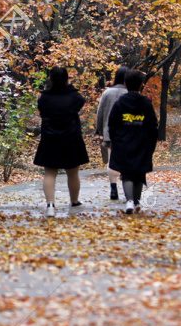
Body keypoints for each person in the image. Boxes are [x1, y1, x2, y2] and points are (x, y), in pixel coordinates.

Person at [34, 66, 89, 217]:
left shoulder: (44, 99)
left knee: (50, 173)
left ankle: (50, 205)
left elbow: (42, 110)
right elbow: (80, 102)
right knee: (73, 173)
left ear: (50, 80)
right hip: (71, 138)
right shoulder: (74, 97)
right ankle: (74, 202)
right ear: (67, 79)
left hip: (50, 139)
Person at [108, 70, 159, 214]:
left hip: (123, 141)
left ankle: (129, 200)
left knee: (126, 173)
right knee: (139, 172)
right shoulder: (146, 103)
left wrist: (115, 139)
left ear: (125, 84)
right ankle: (136, 202)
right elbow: (153, 125)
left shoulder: (120, 103)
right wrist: (151, 143)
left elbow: (112, 124)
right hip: (142, 141)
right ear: (141, 85)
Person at [95, 66, 129, 200]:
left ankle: (113, 189)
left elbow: (100, 113)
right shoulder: (129, 93)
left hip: (110, 132)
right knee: (127, 160)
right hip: (127, 132)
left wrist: (100, 129)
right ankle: (128, 189)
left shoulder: (107, 93)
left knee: (111, 160)